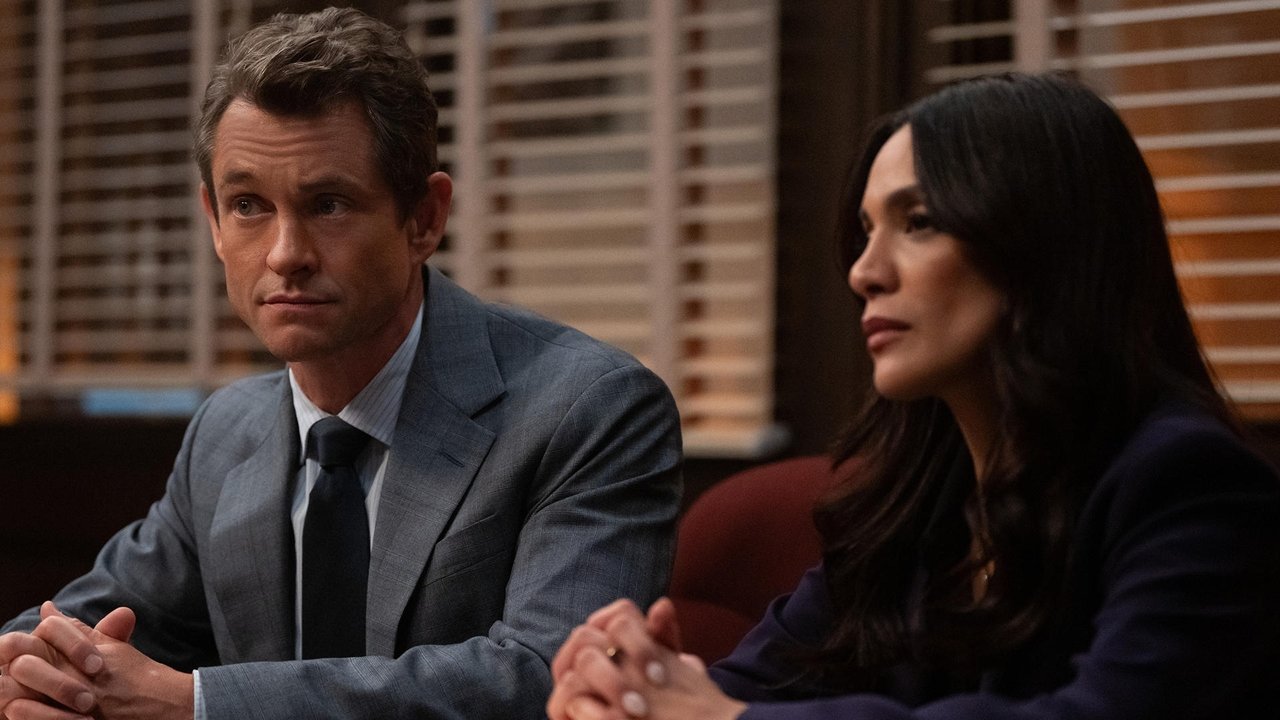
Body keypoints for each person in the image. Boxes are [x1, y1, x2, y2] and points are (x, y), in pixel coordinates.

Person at [0, 7, 682, 720]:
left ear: (424, 220)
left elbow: (552, 680)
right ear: (213, 221)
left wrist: (195, 704)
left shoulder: (589, 409)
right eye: (248, 205)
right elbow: (71, 627)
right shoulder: (226, 432)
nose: (285, 254)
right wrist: (30, 671)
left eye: (328, 204)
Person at [546, 72, 1280, 720]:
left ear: (1044, 245)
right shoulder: (914, 500)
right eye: (866, 231)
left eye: (918, 223)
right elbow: (755, 685)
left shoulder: (1189, 484)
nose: (864, 272)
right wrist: (632, 688)